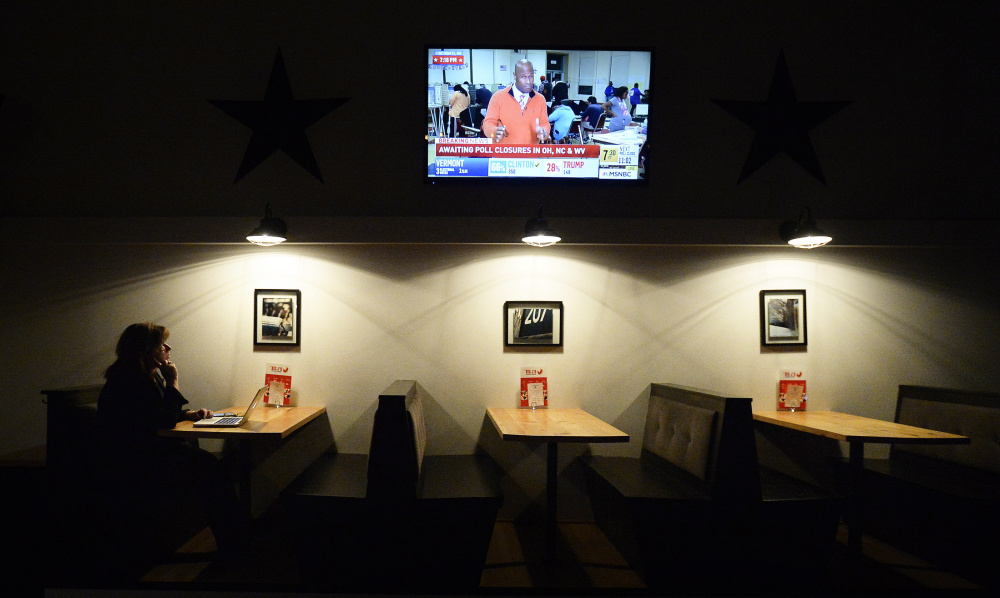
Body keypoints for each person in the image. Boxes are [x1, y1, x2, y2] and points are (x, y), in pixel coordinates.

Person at [96, 322, 246, 557]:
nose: (168, 347)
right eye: (160, 344)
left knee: (212, 466)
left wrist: (188, 414)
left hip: (149, 453)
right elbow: (160, 420)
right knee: (214, 469)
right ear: (145, 349)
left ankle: (235, 538)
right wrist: (173, 381)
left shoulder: (144, 375)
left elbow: (154, 414)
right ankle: (233, 543)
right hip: (140, 461)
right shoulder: (130, 380)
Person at [482, 59, 550, 144]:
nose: (528, 81)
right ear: (515, 76)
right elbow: (488, 124)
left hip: (530, 155)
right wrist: (494, 132)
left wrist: (544, 132)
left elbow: (545, 124)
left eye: (531, 76)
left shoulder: (540, 99)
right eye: (523, 77)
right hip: (504, 155)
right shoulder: (498, 97)